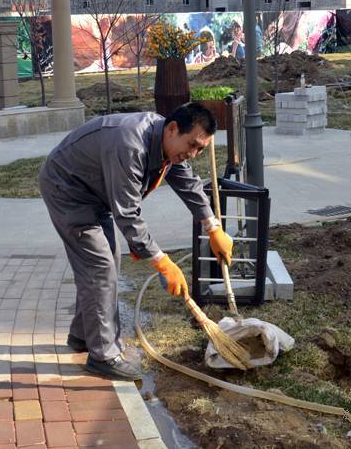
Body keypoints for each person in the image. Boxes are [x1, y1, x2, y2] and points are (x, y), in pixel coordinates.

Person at [38, 103, 234, 380]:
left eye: (200, 149)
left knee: (106, 265)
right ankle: (103, 356)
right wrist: (162, 262)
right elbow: (128, 215)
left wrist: (212, 227)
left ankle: (83, 335)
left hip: (94, 192)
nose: (192, 154)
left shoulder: (167, 145)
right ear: (173, 128)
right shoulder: (130, 144)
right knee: (100, 267)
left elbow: (188, 184)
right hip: (67, 189)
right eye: (191, 144)